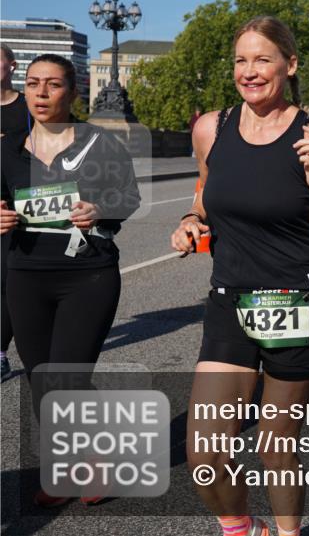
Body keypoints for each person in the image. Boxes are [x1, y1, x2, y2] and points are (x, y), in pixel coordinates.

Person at [171, 17, 309, 536]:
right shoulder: (213, 127)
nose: (249, 72)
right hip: (230, 299)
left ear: (290, 65)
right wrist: (191, 221)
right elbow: (205, 192)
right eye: (240, 60)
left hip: (295, 301)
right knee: (204, 451)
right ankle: (241, 527)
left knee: (276, 445)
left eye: (262, 59)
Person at [1, 54, 141, 506]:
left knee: (69, 376)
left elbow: (128, 196)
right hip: (25, 274)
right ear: (24, 91)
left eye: (53, 85)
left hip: (88, 274)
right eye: (34, 84)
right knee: (42, 379)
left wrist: (98, 210)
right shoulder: (8, 148)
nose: (41, 93)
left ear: (73, 92)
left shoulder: (100, 143)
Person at [0, 44, 28, 381]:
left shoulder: (28, 107)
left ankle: (2, 351)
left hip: (15, 205)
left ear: (12, 66)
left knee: (5, 281)